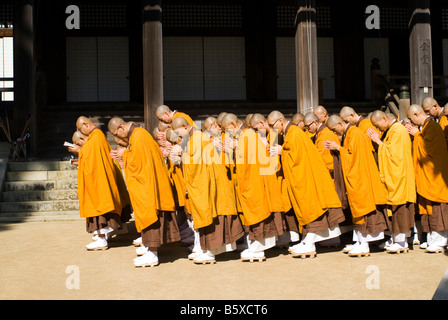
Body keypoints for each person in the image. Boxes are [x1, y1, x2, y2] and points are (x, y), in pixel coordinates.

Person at [267, 110, 345, 258]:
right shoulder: (290, 133)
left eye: (272, 125)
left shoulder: (294, 133)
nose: (271, 129)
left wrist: (281, 150)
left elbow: (297, 156)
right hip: (302, 177)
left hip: (306, 178)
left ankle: (309, 243)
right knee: (307, 210)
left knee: (310, 209)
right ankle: (307, 241)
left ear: (280, 121)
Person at [108, 117, 181, 267]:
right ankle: (149, 250)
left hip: (148, 187)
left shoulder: (138, 136)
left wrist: (124, 154)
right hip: (149, 184)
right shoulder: (137, 135)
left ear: (121, 127)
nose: (118, 138)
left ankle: (152, 254)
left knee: (150, 216)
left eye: (117, 133)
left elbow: (138, 163)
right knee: (148, 216)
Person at [171, 116, 244, 264]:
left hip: (210, 186)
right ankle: (206, 250)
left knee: (211, 218)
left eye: (178, 132)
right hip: (208, 185)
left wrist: (182, 155)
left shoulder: (198, 139)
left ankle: (210, 252)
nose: (178, 136)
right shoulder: (195, 139)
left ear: (185, 127)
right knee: (207, 218)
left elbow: (196, 166)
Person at [325, 115, 389, 257]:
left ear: (341, 123)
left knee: (363, 210)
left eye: (335, 130)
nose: (335, 134)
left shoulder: (354, 133)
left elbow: (354, 158)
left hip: (361, 180)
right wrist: (340, 148)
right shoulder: (350, 133)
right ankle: (360, 241)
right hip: (357, 179)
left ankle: (364, 244)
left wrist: (338, 148)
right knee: (357, 211)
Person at [232, 113, 286, 261]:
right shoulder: (253, 137)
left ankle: (257, 250)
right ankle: (257, 248)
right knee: (263, 212)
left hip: (255, 182)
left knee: (258, 213)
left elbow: (245, 164)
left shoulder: (248, 137)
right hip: (262, 181)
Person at [70, 116, 124, 251]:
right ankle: (102, 237)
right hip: (98, 179)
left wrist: (79, 152)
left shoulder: (96, 137)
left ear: (86, 125)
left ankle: (102, 239)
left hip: (98, 180)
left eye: (79, 128)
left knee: (100, 208)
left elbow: (91, 157)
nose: (80, 131)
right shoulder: (96, 136)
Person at [367, 110, 416, 253]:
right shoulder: (392, 130)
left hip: (399, 176)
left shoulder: (398, 131)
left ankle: (401, 242)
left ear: (384, 118)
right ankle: (395, 238)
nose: (378, 128)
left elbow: (394, 156)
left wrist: (377, 141)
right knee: (394, 208)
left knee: (399, 208)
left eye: (377, 125)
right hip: (395, 176)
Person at [404, 104, 448, 253]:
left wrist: (417, 135)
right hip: (427, 176)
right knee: (428, 208)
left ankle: (440, 241)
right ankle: (431, 239)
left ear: (416, 115)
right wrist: (418, 134)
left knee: (437, 209)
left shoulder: (433, 128)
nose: (411, 122)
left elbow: (431, 152)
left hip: (435, 177)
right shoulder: (427, 127)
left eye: (411, 119)